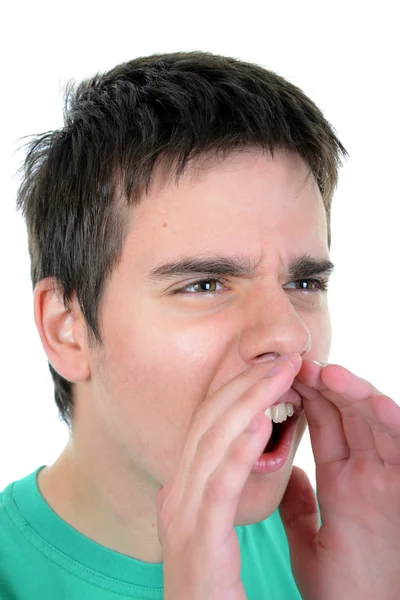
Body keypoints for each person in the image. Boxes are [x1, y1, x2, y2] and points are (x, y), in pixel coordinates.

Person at [1, 51, 398, 600]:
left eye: (304, 284)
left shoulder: (350, 552)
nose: (289, 337)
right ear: (67, 327)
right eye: (205, 285)